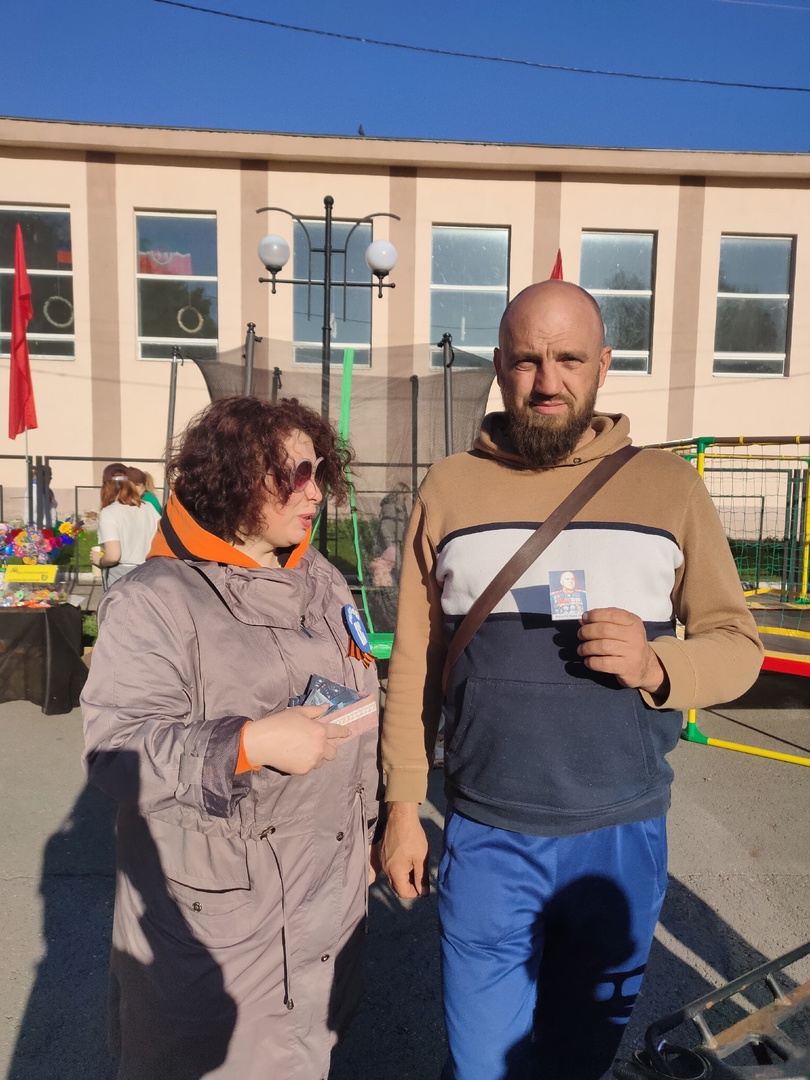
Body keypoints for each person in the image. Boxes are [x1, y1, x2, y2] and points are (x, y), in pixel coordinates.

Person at [379, 280, 764, 1080]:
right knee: (483, 1065)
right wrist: (402, 807)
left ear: (604, 365)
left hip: (619, 838)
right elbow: (415, 659)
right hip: (485, 832)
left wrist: (660, 664)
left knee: (576, 1061)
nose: (547, 381)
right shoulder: (450, 487)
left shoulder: (670, 488)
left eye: (569, 359)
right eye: (526, 360)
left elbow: (739, 645)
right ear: (498, 365)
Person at [81, 396, 380, 1079]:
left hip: (327, 903)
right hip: (221, 928)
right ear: (233, 476)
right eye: (294, 474)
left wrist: (363, 834)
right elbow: (114, 750)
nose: (315, 492)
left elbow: (359, 709)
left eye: (319, 472)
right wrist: (246, 745)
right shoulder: (155, 599)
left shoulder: (321, 578)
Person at [90, 463, 161, 589]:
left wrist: (100, 560)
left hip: (122, 574)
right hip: (149, 570)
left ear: (106, 487)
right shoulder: (149, 508)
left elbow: (113, 555)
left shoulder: (109, 512)